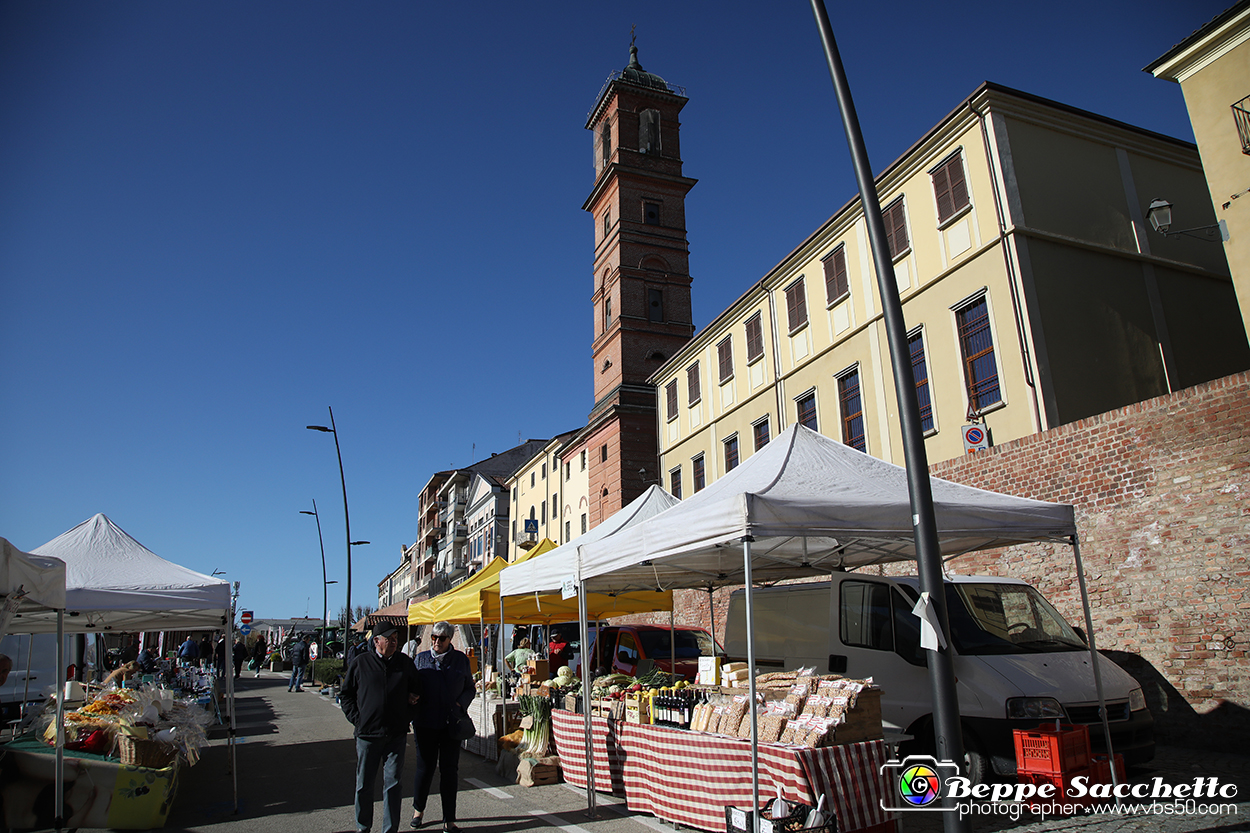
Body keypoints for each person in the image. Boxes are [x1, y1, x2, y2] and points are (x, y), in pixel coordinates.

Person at [340, 625, 421, 833]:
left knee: (393, 785)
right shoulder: (361, 663)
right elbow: (346, 695)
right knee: (364, 785)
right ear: (377, 641)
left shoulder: (405, 664)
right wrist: (358, 720)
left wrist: (407, 717)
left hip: (395, 735)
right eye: (389, 638)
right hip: (368, 736)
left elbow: (418, 692)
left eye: (396, 638)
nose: (394, 641)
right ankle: (363, 826)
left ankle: (390, 829)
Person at [410, 621, 474, 832]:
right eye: (434, 638)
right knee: (425, 769)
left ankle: (449, 819)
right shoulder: (421, 659)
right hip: (425, 724)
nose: (437, 642)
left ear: (450, 639)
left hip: (450, 723)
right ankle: (418, 810)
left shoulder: (460, 661)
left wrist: (460, 704)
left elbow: (469, 689)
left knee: (449, 771)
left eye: (441, 638)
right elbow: (412, 687)